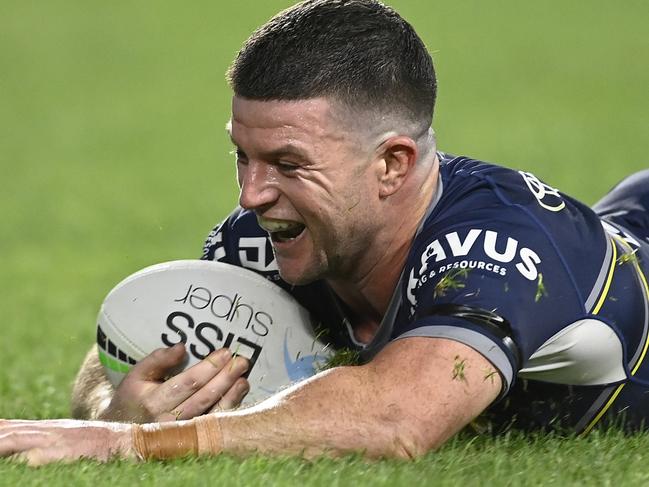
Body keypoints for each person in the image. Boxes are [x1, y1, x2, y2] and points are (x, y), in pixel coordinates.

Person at [2, 0, 649, 465]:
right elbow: (138, 330)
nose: (250, 195)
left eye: (286, 164)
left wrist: (132, 443)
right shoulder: (271, 237)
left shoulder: (494, 251)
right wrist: (111, 403)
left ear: (391, 164)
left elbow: (396, 417)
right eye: (241, 156)